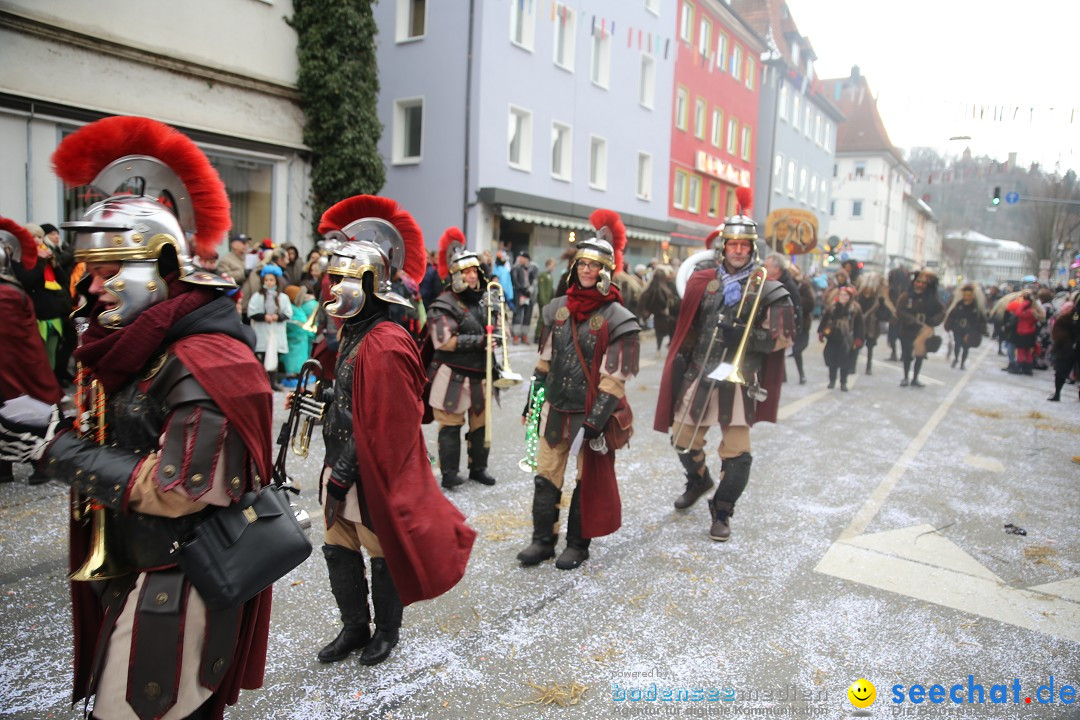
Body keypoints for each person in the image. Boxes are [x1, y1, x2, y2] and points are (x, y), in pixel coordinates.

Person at [0, 116, 273, 719]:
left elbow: (181, 489)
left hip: (182, 580)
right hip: (135, 566)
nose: (92, 288)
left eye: (108, 271)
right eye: (87, 272)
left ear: (163, 264)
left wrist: (53, 448)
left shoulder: (205, 359)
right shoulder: (137, 343)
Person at [312, 195, 475, 666]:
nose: (335, 287)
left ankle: (386, 632)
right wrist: (321, 400)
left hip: (371, 472)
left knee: (380, 551)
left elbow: (389, 425)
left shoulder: (385, 342)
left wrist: (345, 470)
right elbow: (354, 401)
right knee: (337, 547)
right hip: (339, 463)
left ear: (369, 282)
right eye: (334, 277)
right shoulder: (353, 332)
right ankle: (354, 628)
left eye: (345, 278)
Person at [654, 188, 794, 542]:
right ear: (723, 246)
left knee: (738, 455)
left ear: (752, 249)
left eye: (744, 245)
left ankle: (722, 511)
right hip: (700, 372)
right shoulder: (703, 280)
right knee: (682, 440)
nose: (738, 250)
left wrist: (748, 341)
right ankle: (699, 479)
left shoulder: (768, 288)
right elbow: (689, 326)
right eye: (732, 244)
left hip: (739, 378)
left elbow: (783, 336)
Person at [516, 209, 639, 570]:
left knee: (587, 481)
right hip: (557, 406)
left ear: (606, 271)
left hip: (591, 410)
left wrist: (596, 421)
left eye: (595, 266)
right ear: (575, 267)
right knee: (546, 475)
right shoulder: (556, 309)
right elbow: (544, 364)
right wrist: (532, 405)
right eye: (583, 264)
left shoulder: (619, 318)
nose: (587, 270)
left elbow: (614, 379)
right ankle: (542, 541)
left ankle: (577, 545)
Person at [427, 228, 500, 489]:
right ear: (455, 275)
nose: (471, 276)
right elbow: (443, 341)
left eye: (474, 271)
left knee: (480, 425)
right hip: (453, 375)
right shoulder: (443, 303)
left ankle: (478, 468)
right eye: (465, 272)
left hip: (481, 373)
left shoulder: (484, 301)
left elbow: (497, 331)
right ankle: (449, 474)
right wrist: (480, 341)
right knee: (450, 425)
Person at [0, 217, 63, 484]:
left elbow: (9, 342)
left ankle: (42, 463)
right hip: (11, 364)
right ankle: (4, 466)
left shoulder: (7, 294)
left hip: (18, 364)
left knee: (29, 409)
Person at [894, 270, 945, 387]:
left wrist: (933, 321)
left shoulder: (932, 297)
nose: (920, 284)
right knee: (907, 354)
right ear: (914, 282)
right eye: (918, 282)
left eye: (923, 283)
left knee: (920, 355)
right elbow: (900, 311)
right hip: (908, 329)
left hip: (924, 331)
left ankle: (915, 378)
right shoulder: (906, 296)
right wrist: (913, 321)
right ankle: (906, 377)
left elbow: (941, 311)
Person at [247, 264, 292, 390]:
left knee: (274, 357)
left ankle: (273, 382)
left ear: (276, 280)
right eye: (266, 280)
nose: (269, 282)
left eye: (271, 280)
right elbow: (252, 312)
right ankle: (261, 382)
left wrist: (278, 317)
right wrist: (264, 317)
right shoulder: (257, 296)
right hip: (262, 331)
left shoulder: (283, 297)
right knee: (261, 357)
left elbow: (288, 313)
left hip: (275, 332)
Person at [762, 253, 803, 381]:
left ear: (777, 268)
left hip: (779, 333)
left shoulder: (788, 286)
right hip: (768, 332)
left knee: (774, 370)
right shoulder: (769, 281)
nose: (764, 268)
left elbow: (796, 308)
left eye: (767, 266)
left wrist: (792, 332)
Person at [818, 285, 864, 391]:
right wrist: (821, 332)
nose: (843, 297)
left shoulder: (855, 309)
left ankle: (843, 382)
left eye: (846, 295)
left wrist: (858, 338)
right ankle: (832, 380)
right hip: (833, 337)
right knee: (831, 361)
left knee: (845, 362)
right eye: (842, 295)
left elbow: (860, 325)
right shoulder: (832, 307)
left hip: (847, 339)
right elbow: (824, 320)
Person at [852, 271, 893, 375]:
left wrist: (882, 304)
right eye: (865, 291)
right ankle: (853, 366)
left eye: (869, 291)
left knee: (870, 348)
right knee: (857, 345)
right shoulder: (858, 299)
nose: (867, 293)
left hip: (872, 328)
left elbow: (885, 315)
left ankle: (868, 367)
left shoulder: (877, 301)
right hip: (860, 327)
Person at [943, 283, 986, 371]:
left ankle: (962, 362)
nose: (967, 297)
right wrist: (949, 325)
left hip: (969, 330)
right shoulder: (959, 304)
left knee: (966, 347)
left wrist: (974, 332)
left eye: (969, 295)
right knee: (957, 344)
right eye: (965, 295)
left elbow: (979, 320)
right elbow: (952, 315)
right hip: (958, 329)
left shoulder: (975, 308)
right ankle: (956, 358)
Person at [638, 263, 680, 353]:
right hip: (664, 315)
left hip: (659, 316)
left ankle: (660, 348)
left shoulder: (654, 287)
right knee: (666, 332)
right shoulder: (666, 287)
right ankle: (665, 346)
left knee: (660, 333)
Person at [281, 284, 317, 382]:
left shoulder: (298, 307)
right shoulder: (291, 308)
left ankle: (298, 374)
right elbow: (293, 322)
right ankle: (291, 375)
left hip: (302, 338)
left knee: (300, 358)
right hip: (295, 338)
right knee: (293, 358)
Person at [1047, 290, 1079, 401]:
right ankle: (1057, 393)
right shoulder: (1070, 317)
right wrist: (1067, 342)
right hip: (1069, 347)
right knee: (1061, 371)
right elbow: (1060, 329)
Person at [1005, 289, 1044, 375]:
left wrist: (1024, 304)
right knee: (1028, 352)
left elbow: (1018, 313)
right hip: (1030, 333)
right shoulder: (1034, 311)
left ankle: (1019, 367)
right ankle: (1028, 369)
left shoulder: (1028, 311)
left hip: (1023, 333)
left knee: (1021, 351)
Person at [789, 264, 816, 384]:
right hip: (787, 322)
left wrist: (795, 300)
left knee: (797, 350)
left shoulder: (803, 285)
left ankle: (801, 374)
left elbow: (810, 303)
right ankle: (783, 376)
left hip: (801, 323)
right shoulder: (785, 284)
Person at [510, 251, 539, 344]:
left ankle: (524, 335)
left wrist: (530, 290)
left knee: (528, 315)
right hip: (519, 294)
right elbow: (514, 280)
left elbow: (535, 280)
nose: (520, 259)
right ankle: (515, 335)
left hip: (529, 295)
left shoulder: (534, 268)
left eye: (522, 257)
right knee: (517, 314)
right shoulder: (516, 268)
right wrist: (522, 289)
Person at [886, 266, 911, 361]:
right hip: (902, 316)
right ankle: (902, 354)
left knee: (894, 336)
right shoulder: (908, 287)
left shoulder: (893, 288)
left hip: (896, 315)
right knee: (902, 336)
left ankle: (894, 353)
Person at [533, 257, 557, 344]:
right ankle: (538, 335)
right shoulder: (543, 275)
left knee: (545, 318)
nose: (553, 268)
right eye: (552, 266)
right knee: (542, 318)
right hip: (544, 301)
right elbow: (542, 289)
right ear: (548, 265)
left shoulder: (550, 276)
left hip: (549, 301)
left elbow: (551, 290)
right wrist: (543, 301)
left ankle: (542, 335)